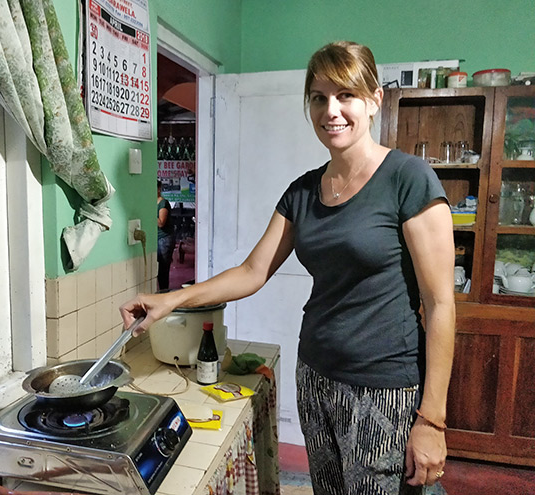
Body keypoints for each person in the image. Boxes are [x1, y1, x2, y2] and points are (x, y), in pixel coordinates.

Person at [122, 41, 455, 495]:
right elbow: (252, 271)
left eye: (346, 95)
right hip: (315, 376)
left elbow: (440, 305)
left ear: (375, 99)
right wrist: (169, 300)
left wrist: (432, 419)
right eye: (318, 97)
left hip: (383, 389)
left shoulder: (408, 179)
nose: (331, 110)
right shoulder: (302, 191)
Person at [157, 180, 175, 290]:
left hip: (164, 239)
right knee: (158, 268)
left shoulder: (163, 203)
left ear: (159, 189)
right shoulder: (153, 202)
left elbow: (161, 223)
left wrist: (148, 213)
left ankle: (164, 292)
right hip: (157, 238)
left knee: (163, 269)